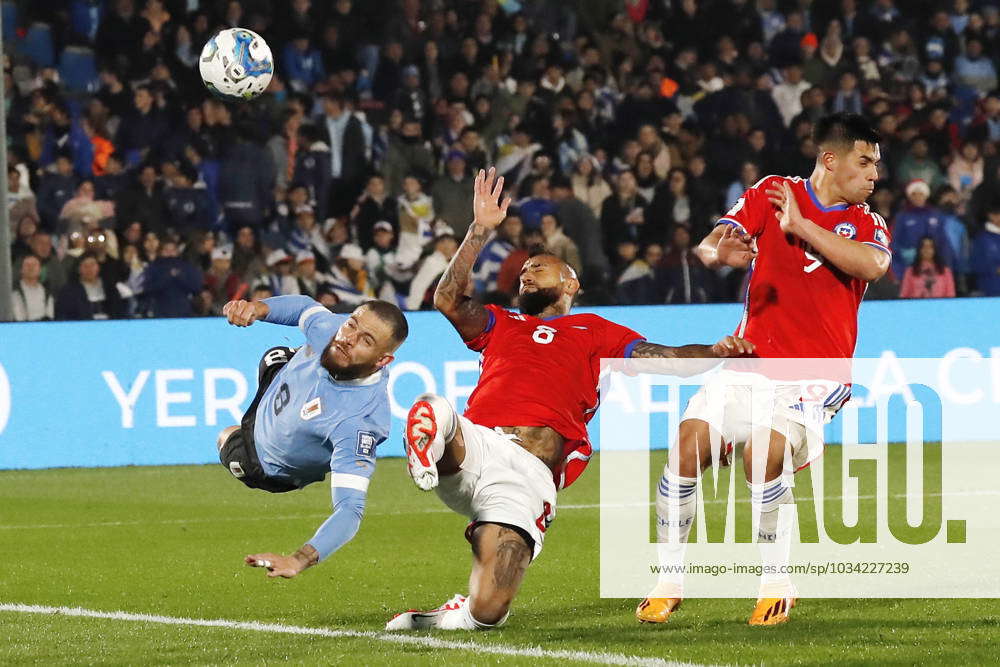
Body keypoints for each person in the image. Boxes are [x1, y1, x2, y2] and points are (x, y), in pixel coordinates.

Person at [386, 168, 752, 631]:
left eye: (539, 265)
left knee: (490, 612)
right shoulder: (501, 323)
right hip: (478, 448)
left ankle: (452, 616)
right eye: (523, 270)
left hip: (531, 478)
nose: (526, 271)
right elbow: (447, 298)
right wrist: (480, 230)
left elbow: (666, 357)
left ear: (571, 282)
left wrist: (716, 351)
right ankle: (428, 453)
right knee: (436, 408)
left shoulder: (594, 331)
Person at [636, 113, 891, 627]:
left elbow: (872, 266)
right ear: (830, 160)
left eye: (876, 165)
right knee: (686, 444)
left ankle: (776, 584)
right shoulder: (773, 191)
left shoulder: (866, 221)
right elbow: (713, 243)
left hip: (816, 375)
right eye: (865, 162)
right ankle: (668, 581)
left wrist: (801, 226)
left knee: (763, 450)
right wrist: (718, 255)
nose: (873, 175)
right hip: (750, 360)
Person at [218, 296, 408, 578]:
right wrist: (256, 308)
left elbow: (350, 511)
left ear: (383, 360)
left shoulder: (359, 423)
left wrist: (298, 559)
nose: (347, 339)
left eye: (365, 341)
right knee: (276, 355)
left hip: (264, 459)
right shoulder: (335, 333)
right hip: (276, 385)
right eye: (351, 325)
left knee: (225, 437)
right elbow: (306, 308)